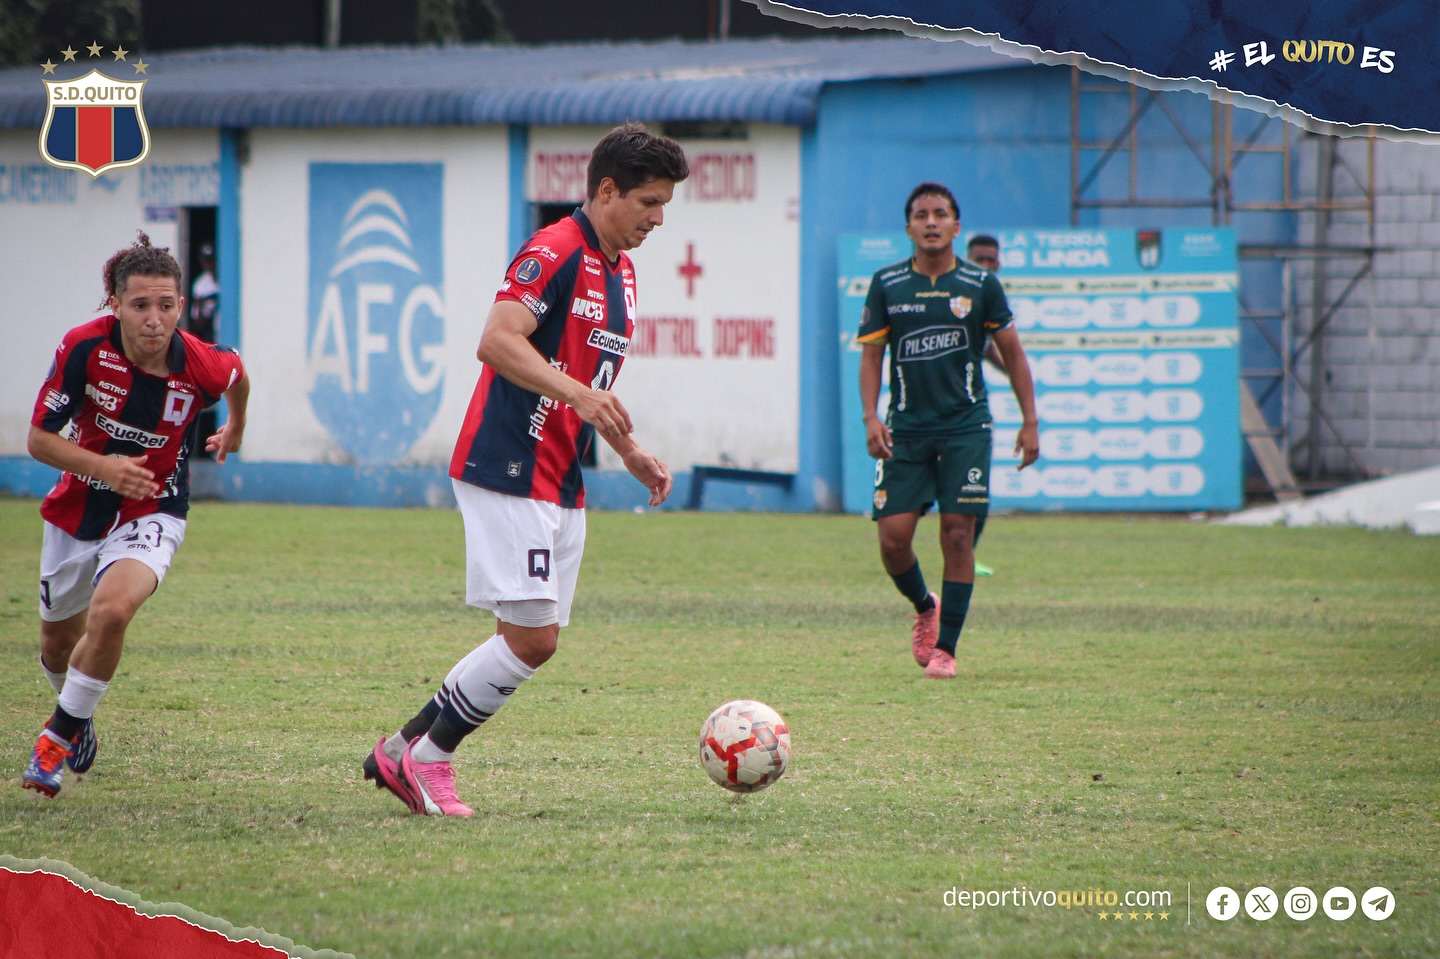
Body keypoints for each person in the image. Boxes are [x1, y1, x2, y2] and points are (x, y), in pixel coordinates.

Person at [362, 122, 688, 816]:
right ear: (606, 190)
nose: (658, 219)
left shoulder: (621, 270)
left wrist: (627, 450)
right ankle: (429, 760)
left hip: (559, 474)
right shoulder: (555, 249)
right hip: (508, 460)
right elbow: (497, 340)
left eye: (664, 205)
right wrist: (577, 395)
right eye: (649, 203)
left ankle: (402, 746)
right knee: (534, 640)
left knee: (531, 639)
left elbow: (584, 374)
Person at [22, 232, 249, 797]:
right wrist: (105, 468)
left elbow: (239, 375)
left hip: (156, 504)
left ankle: (57, 737)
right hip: (79, 505)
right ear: (116, 304)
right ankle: (78, 712)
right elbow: (38, 440)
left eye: (166, 305)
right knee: (57, 646)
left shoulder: (199, 363)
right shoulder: (83, 349)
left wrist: (236, 428)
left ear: (180, 307)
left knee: (114, 610)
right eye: (141, 305)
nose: (154, 319)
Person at [857, 183, 1039, 679]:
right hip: (906, 430)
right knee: (893, 541)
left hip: (966, 427)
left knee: (958, 535)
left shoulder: (981, 286)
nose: (931, 222)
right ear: (909, 227)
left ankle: (946, 650)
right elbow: (872, 356)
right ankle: (924, 606)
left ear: (956, 226)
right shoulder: (888, 283)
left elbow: (1015, 356)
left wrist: (1030, 421)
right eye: (921, 214)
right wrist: (872, 417)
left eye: (941, 214)